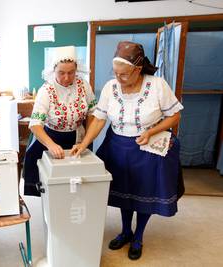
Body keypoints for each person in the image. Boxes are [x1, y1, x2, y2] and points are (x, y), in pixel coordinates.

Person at [71, 41, 184, 260]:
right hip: (118, 146)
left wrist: (152, 132)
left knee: (144, 193)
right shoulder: (110, 87)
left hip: (146, 148)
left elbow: (175, 115)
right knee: (123, 191)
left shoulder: (157, 85)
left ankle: (138, 236)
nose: (119, 78)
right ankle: (125, 231)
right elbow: (99, 120)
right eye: (115, 73)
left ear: (137, 70)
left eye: (123, 74)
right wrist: (84, 143)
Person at [23, 46, 97, 196]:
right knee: (45, 178)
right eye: (61, 73)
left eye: (71, 73)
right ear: (53, 70)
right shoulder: (47, 90)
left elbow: (92, 114)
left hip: (78, 138)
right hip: (50, 137)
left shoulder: (84, 86)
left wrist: (86, 141)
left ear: (77, 70)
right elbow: (35, 125)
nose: (66, 78)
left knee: (76, 184)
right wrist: (51, 145)